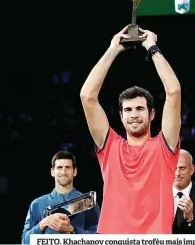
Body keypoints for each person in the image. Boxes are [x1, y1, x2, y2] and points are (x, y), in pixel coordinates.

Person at [80, 26, 181, 234]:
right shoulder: (110, 147)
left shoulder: (165, 146)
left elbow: (173, 91)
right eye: (128, 110)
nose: (133, 114)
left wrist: (152, 47)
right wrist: (113, 48)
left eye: (140, 109)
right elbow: (87, 96)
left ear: (152, 114)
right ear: (121, 116)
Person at [21, 151, 100, 244]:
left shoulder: (87, 202)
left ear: (74, 171)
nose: (63, 172)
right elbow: (25, 242)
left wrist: (72, 231)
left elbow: (99, 239)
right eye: (59, 167)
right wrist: (43, 223)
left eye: (67, 167)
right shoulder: (37, 204)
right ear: (52, 172)